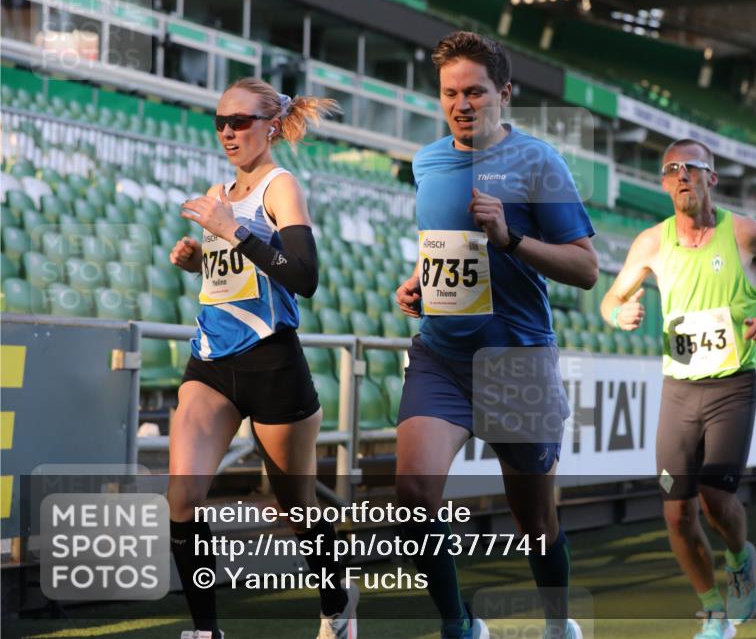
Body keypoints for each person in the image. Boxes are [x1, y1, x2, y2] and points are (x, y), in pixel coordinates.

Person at [394, 31, 598, 639]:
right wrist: (417, 282)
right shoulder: (426, 161)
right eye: (450, 93)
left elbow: (587, 269)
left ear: (504, 94)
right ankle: (460, 625)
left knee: (535, 522)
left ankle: (559, 624)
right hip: (442, 356)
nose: (462, 104)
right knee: (411, 494)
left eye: (475, 92)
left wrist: (511, 237)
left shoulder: (540, 162)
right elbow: (445, 246)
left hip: (517, 361)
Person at [168, 78, 357, 639]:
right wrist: (199, 258)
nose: (228, 131)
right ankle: (206, 631)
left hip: (272, 364)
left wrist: (233, 232)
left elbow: (304, 277)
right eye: (221, 121)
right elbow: (236, 279)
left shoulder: (281, 186)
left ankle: (337, 607)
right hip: (212, 363)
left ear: (271, 126)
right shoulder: (218, 190)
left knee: (294, 510)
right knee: (182, 496)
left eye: (241, 121)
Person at [600, 139, 756, 639]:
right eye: (672, 170)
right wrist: (619, 312)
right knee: (675, 512)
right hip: (679, 391)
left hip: (732, 386)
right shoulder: (651, 242)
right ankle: (713, 611)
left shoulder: (744, 232)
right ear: (665, 185)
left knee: (714, 499)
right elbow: (610, 298)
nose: (682, 175)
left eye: (692, 167)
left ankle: (739, 557)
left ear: (712, 178)